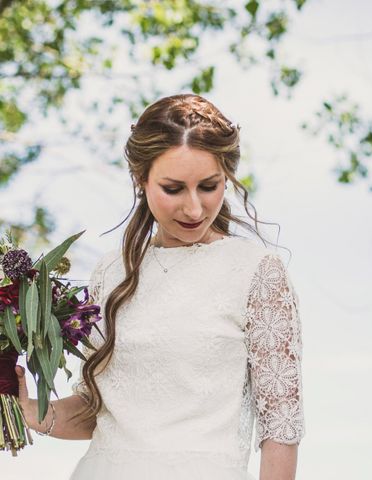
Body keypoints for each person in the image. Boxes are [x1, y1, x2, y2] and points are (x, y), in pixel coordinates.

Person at [14, 93, 305, 479]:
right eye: (173, 188)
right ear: (142, 179)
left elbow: (280, 428)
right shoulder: (110, 273)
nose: (194, 208)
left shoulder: (256, 272)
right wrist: (25, 410)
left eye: (208, 186)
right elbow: (94, 412)